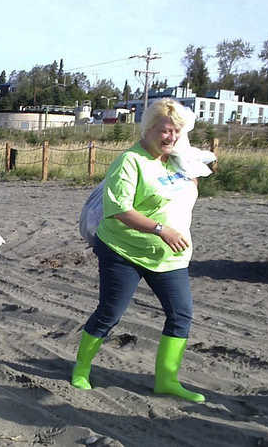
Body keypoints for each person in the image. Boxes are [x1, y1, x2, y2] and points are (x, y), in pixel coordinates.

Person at [71, 98, 206, 403]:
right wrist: (161, 230)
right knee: (110, 313)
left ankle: (167, 380)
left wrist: (192, 167)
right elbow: (119, 210)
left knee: (181, 314)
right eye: (164, 130)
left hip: (169, 256)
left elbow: (190, 187)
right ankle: (81, 368)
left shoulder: (177, 159)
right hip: (123, 251)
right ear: (148, 129)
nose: (170, 137)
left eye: (175, 132)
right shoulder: (130, 161)